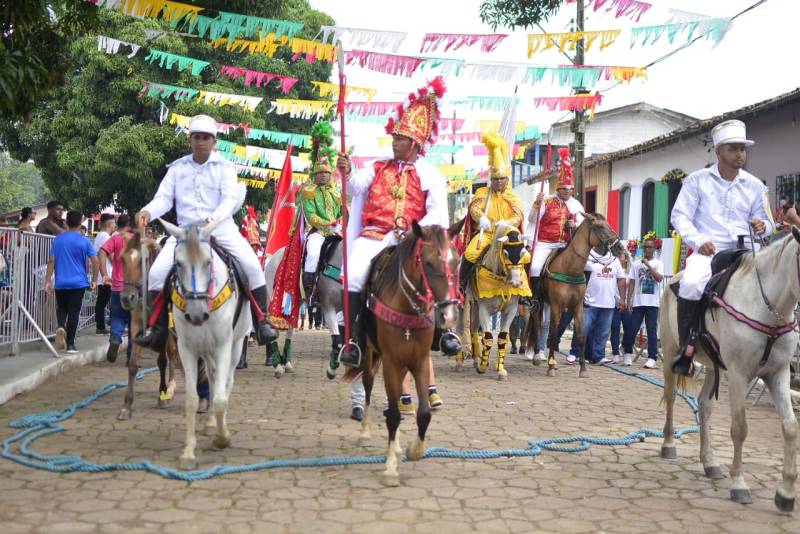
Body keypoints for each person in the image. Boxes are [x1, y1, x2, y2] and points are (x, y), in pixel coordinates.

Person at [335, 76, 452, 370]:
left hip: (411, 240)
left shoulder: (430, 174)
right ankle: (351, 341)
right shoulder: (378, 165)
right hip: (374, 236)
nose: (394, 143)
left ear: (413, 143)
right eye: (394, 138)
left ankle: (447, 331)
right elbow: (354, 189)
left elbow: (438, 213)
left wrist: (414, 231)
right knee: (356, 276)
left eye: (399, 139)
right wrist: (346, 173)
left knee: (440, 270)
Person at [134, 114, 278, 350]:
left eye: (206, 138)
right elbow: (163, 199)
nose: (201, 142)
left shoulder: (225, 167)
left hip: (220, 228)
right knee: (157, 273)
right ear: (189, 140)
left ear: (214, 142)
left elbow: (229, 199)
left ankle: (262, 322)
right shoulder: (177, 168)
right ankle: (156, 329)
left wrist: (211, 220)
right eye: (197, 137)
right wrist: (147, 212)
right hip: (185, 233)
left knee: (252, 267)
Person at [670, 119, 771, 375]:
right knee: (692, 284)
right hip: (709, 252)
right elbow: (679, 216)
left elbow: (767, 220)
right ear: (718, 152)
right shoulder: (697, 181)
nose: (740, 155)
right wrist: (698, 240)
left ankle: (777, 343)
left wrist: (763, 227)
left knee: (775, 282)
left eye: (742, 149)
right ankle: (687, 348)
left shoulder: (755, 185)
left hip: (746, 251)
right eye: (733, 149)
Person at [528, 148, 585, 361]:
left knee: (586, 266)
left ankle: (580, 295)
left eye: (570, 189)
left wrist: (574, 223)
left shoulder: (575, 204)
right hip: (546, 242)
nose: (568, 192)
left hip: (565, 243)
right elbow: (533, 219)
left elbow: (582, 223)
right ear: (558, 188)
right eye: (564, 189)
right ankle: (534, 298)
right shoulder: (547, 200)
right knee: (534, 267)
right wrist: (536, 203)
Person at [458, 131, 524, 290]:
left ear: (507, 179)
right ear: (491, 180)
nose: (499, 182)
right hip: (487, 235)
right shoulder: (482, 193)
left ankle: (525, 294)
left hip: (507, 236)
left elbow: (519, 215)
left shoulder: (512, 196)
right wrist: (481, 218)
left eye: (502, 179)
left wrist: (506, 224)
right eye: (496, 179)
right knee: (471, 254)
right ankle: (461, 286)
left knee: (525, 256)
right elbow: (474, 208)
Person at [44, 210, 98, 353]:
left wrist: (47, 281)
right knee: (74, 312)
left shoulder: (58, 240)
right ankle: (71, 345)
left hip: (61, 282)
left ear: (66, 222)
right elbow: (95, 260)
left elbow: (51, 261)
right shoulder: (84, 241)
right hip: (79, 283)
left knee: (61, 308)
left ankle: (61, 326)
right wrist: (94, 279)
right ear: (80, 223)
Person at [301, 120, 342, 301]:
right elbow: (311, 216)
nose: (324, 175)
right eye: (321, 172)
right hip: (318, 231)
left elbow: (340, 213)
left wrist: (341, 221)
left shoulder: (336, 193)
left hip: (336, 231)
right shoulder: (309, 192)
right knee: (313, 252)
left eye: (327, 172)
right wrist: (328, 224)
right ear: (315, 174)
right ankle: (309, 289)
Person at [578, 247, 626, 365]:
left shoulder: (614, 259)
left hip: (608, 303)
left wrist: (622, 299)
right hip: (589, 302)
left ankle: (598, 356)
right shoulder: (588, 256)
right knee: (585, 329)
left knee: (603, 332)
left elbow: (621, 279)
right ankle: (583, 354)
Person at [99, 214, 135, 363]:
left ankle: (115, 339)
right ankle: (131, 357)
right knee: (135, 323)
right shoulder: (138, 240)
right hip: (135, 288)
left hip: (117, 287)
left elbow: (101, 252)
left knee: (118, 317)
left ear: (118, 224)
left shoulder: (115, 238)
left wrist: (104, 274)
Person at [623, 237, 664, 368]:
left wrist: (647, 265)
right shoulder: (635, 264)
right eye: (645, 247)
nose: (647, 249)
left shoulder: (658, 263)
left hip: (652, 303)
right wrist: (629, 299)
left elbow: (658, 278)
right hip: (638, 302)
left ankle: (652, 358)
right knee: (632, 327)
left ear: (654, 249)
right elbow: (632, 282)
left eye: (649, 247)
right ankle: (628, 353)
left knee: (651, 329)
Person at [93, 213, 116, 335]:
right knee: (103, 301)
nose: (115, 226)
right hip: (107, 275)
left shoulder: (100, 236)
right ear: (110, 224)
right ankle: (101, 326)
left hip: (104, 275)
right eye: (114, 223)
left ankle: (101, 325)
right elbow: (111, 256)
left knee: (102, 301)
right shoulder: (106, 237)